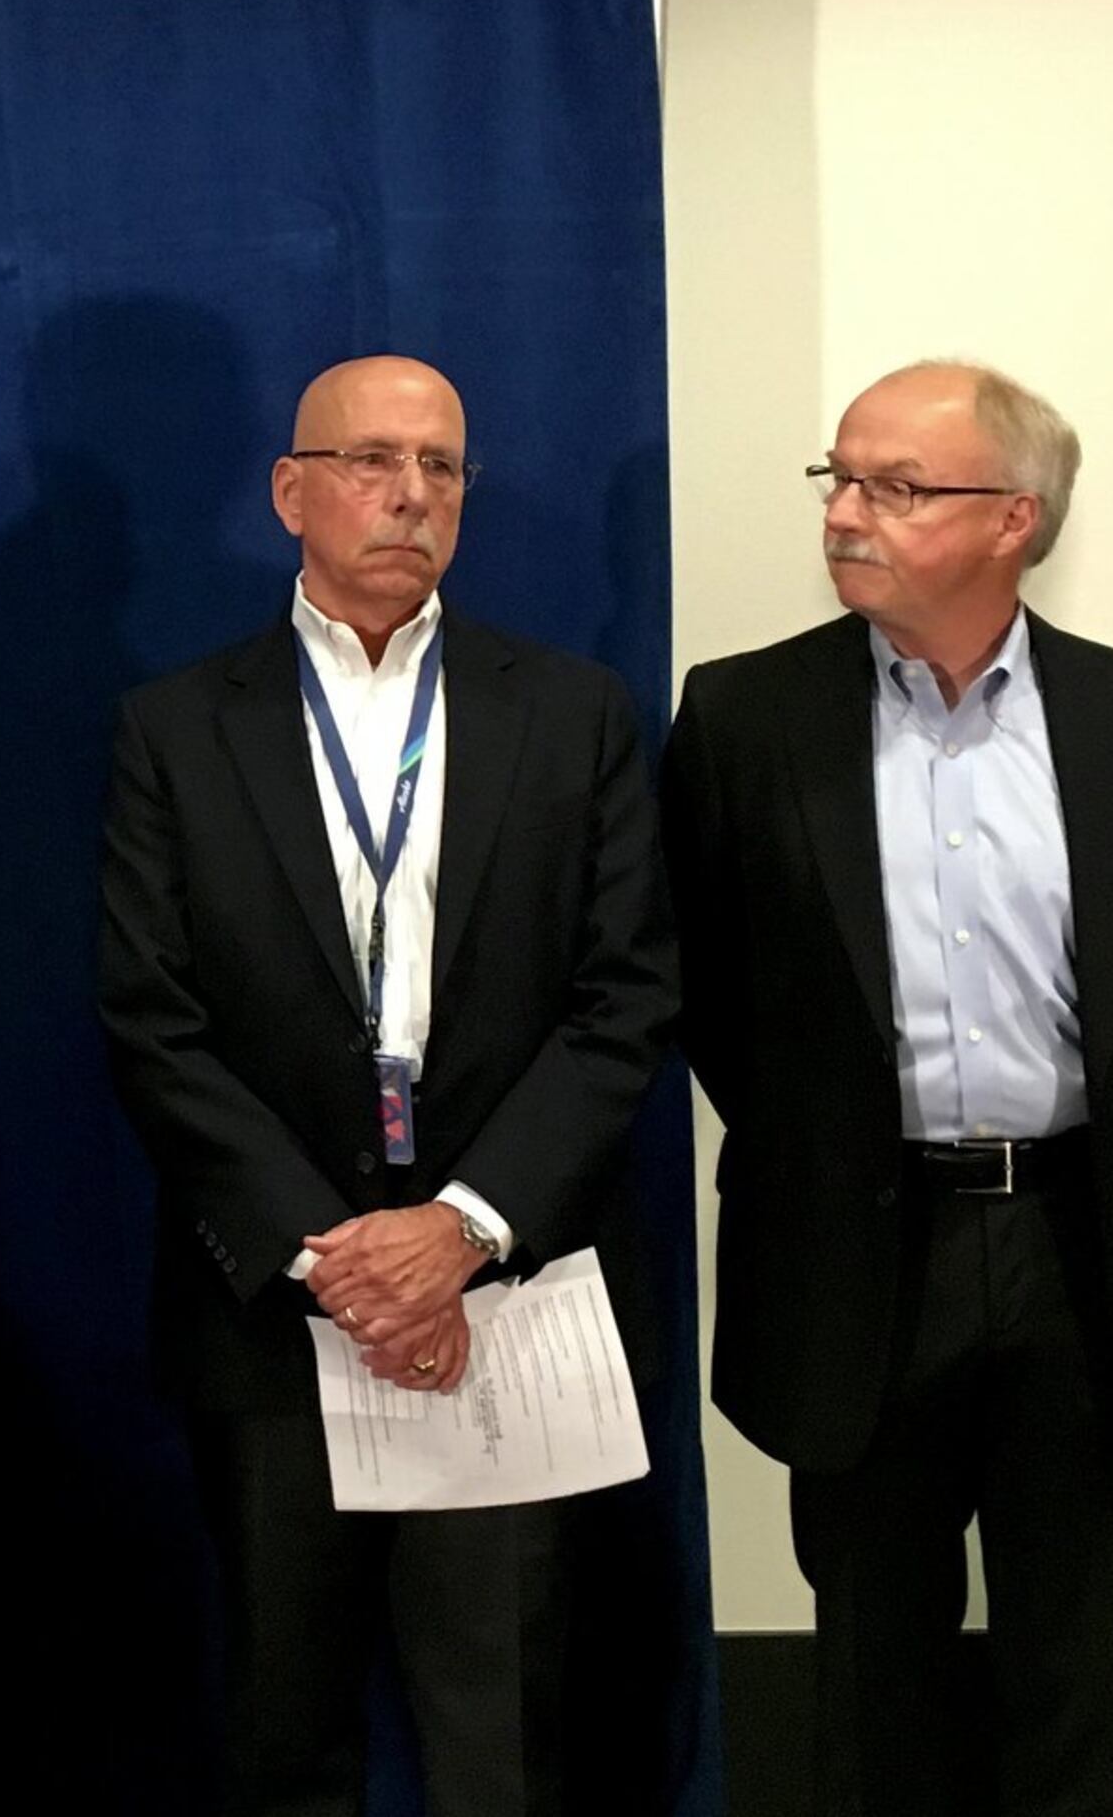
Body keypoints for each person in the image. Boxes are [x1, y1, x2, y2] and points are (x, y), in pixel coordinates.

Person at [663, 362, 1113, 1815]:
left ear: (1016, 518)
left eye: (896, 487)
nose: (847, 514)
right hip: (859, 1248)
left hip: (1080, 1245)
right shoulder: (743, 718)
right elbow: (713, 996)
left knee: (1084, 1661)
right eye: (840, 478)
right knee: (873, 1670)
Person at [97, 354, 674, 1815]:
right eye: (370, 460)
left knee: (503, 1735)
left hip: (501, 1296)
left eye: (442, 467)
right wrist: (335, 1256)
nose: (410, 494)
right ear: (291, 491)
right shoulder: (179, 724)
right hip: (280, 1304)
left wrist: (463, 1227)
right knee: (288, 1730)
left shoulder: (571, 711)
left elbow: (626, 1000)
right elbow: (151, 1019)